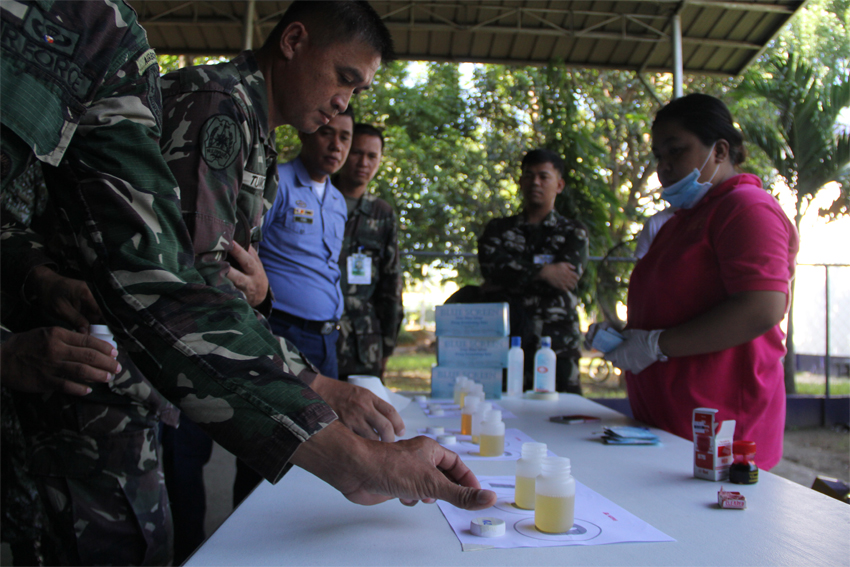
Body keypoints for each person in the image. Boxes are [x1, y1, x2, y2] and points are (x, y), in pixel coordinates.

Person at [1, 1, 496, 562]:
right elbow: (181, 287)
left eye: (357, 93)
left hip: (144, 370)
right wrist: (324, 404)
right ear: (293, 42)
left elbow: (188, 279)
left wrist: (262, 298)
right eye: (344, 78)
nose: (342, 105)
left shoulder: (146, 58)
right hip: (104, 375)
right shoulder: (219, 108)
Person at [594, 93, 798, 469]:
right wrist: (629, 336)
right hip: (670, 428)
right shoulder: (682, 221)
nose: (664, 166)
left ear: (720, 151)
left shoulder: (746, 208)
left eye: (676, 150)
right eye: (658, 155)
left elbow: (762, 307)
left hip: (722, 436)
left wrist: (656, 344)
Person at [478, 149, 589, 394]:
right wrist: (544, 272)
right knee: (504, 411)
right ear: (520, 181)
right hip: (507, 339)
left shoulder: (573, 231)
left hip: (556, 342)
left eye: (543, 176)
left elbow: (566, 279)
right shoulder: (498, 229)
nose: (535, 182)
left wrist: (511, 277)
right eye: (528, 176)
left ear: (559, 185)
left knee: (562, 414)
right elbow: (491, 267)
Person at [259, 109, 352, 379]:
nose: (337, 145)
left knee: (328, 419)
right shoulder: (278, 181)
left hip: (327, 338)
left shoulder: (337, 200)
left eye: (345, 138)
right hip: (284, 331)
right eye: (327, 133)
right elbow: (245, 247)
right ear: (305, 132)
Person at [334, 124, 404, 381]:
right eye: (357, 152)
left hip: (363, 349)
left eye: (372, 156)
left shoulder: (382, 214)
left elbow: (392, 284)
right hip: (315, 340)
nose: (363, 162)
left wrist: (387, 346)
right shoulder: (316, 198)